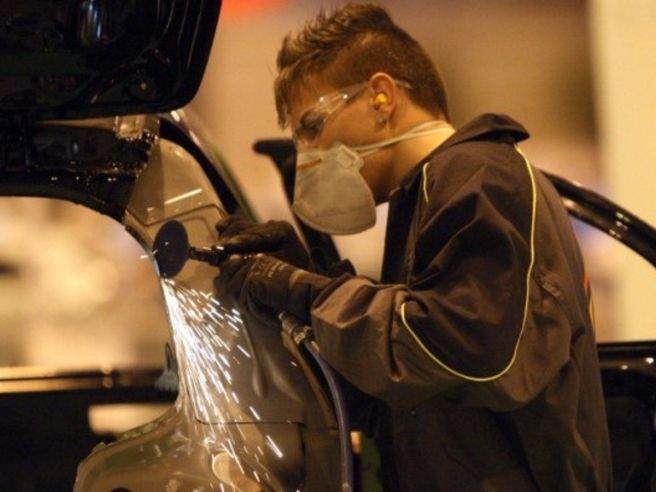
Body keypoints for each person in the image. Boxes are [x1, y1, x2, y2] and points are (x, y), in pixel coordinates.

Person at [214, 3, 612, 490]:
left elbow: (465, 350)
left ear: (381, 97)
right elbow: (406, 380)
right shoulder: (430, 193)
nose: (309, 155)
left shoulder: (481, 177)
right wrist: (306, 283)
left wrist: (307, 291)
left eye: (313, 126)